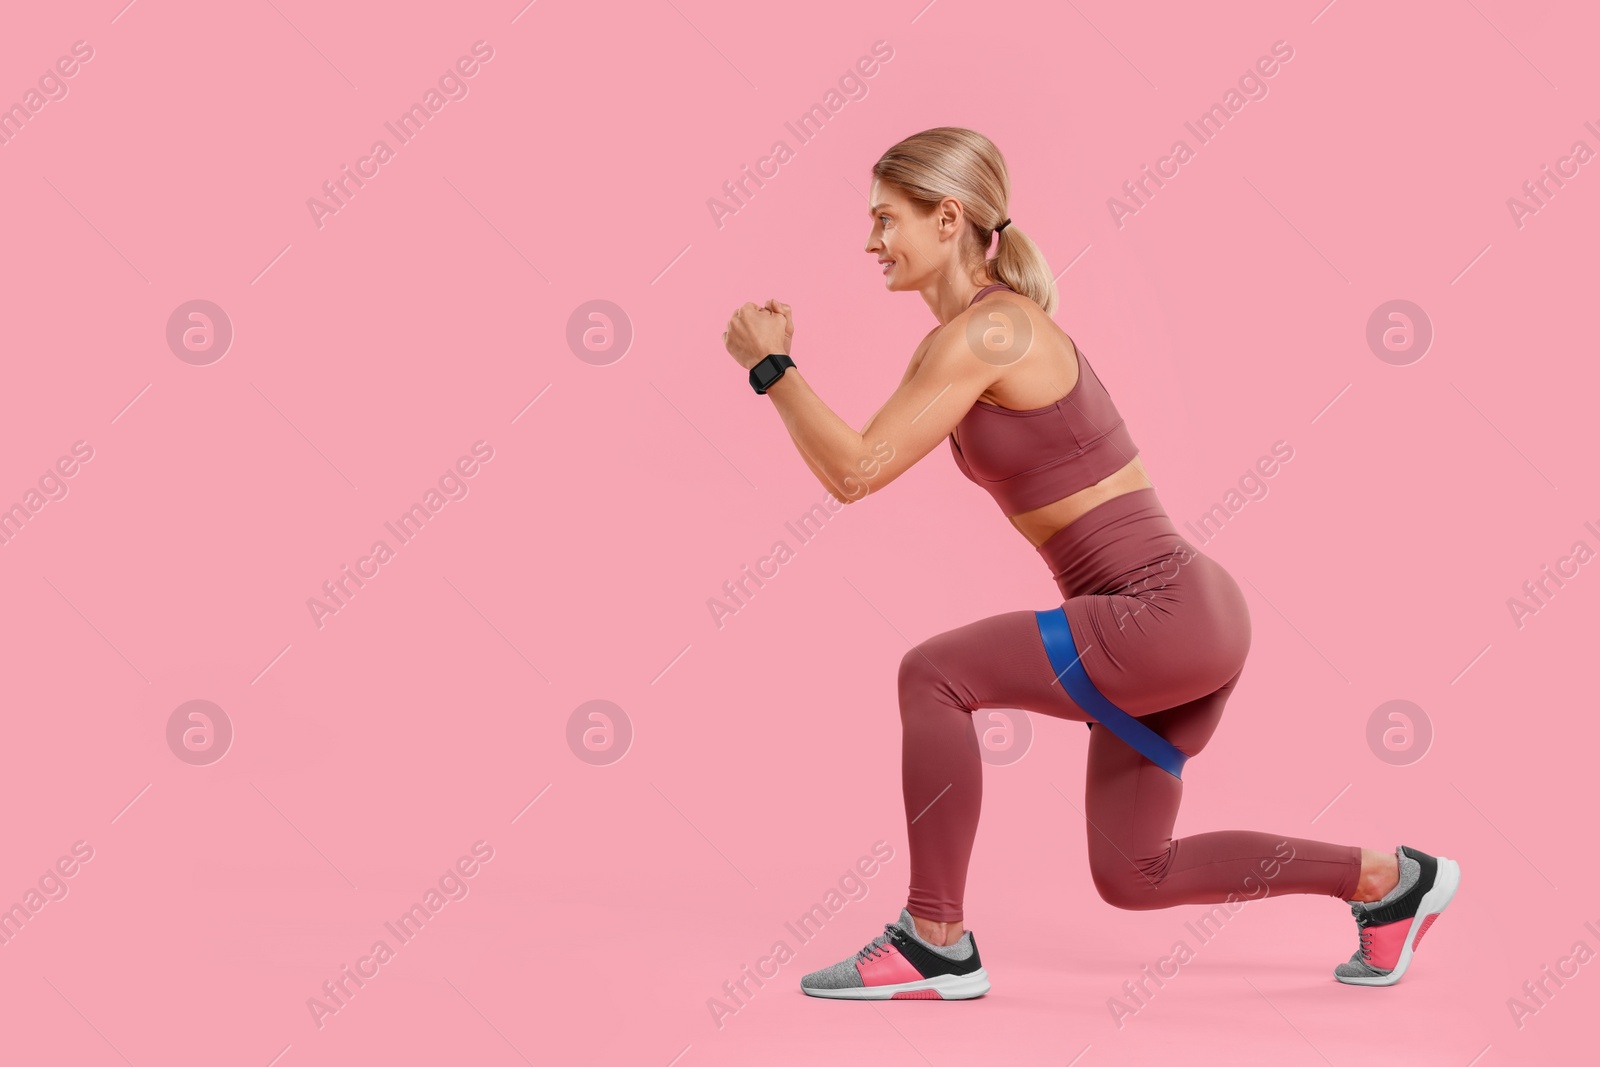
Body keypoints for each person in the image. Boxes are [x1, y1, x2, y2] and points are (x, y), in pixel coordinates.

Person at [721, 127, 1459, 1001]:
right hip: (1184, 620)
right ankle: (1389, 881)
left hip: (1160, 613)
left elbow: (855, 471)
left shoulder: (991, 331)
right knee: (1132, 870)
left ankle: (934, 938)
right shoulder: (978, 331)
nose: (872, 242)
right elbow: (862, 461)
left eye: (888, 218)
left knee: (933, 675)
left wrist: (771, 365)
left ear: (948, 217)